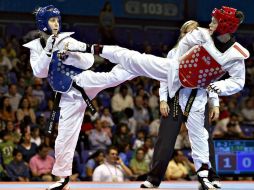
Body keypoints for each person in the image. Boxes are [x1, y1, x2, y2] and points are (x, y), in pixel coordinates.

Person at [80, 6, 249, 190]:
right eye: (186, 31)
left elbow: (235, 81)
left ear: (225, 26)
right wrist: (169, 88)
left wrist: (218, 91)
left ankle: (206, 177)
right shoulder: (198, 36)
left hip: (198, 94)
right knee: (135, 62)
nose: (209, 24)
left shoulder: (235, 54)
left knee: (201, 137)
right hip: (174, 81)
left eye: (215, 21)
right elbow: (176, 58)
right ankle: (92, 50)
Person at [23, 5, 135, 190]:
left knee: (112, 78)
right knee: (64, 137)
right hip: (67, 96)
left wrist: (72, 57)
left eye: (57, 20)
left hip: (81, 81)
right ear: (43, 23)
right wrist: (49, 51)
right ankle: (63, 179)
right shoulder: (36, 46)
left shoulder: (66, 39)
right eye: (52, 20)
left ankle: (135, 64)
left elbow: (88, 60)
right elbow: (39, 72)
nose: (56, 23)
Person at [152, 20, 221, 189]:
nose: (194, 36)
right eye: (190, 33)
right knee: (165, 141)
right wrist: (162, 99)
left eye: (197, 32)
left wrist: (215, 103)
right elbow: (164, 79)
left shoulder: (206, 55)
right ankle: (153, 179)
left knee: (204, 138)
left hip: (198, 100)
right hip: (175, 100)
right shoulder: (173, 53)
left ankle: (210, 177)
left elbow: (210, 79)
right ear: (183, 35)